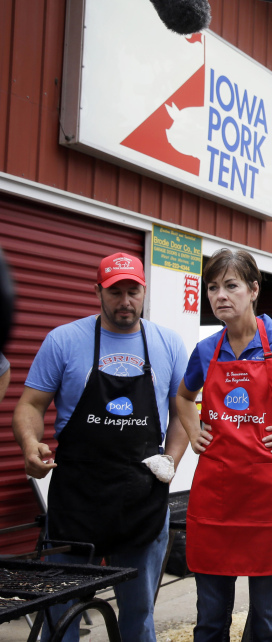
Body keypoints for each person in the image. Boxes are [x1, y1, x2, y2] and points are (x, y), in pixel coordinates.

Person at [12, 253, 188, 642]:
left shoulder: (168, 343)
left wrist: (172, 459)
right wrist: (29, 443)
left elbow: (183, 412)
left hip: (142, 499)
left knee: (139, 614)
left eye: (132, 291)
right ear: (98, 292)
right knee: (60, 612)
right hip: (77, 498)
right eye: (115, 292)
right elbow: (30, 404)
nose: (125, 301)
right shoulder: (64, 339)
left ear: (144, 292)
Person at [176, 248, 272, 642]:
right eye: (212, 288)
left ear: (253, 290)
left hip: (268, 497)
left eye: (231, 286)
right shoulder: (206, 349)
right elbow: (182, 397)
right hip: (215, 497)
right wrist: (193, 430)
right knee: (209, 621)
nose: (220, 296)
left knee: (268, 624)